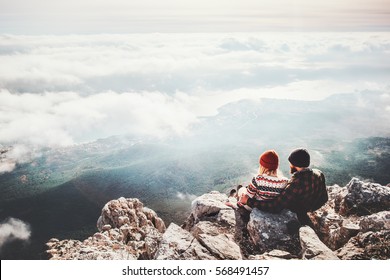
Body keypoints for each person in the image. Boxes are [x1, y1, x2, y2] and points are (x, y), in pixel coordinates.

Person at [239, 148, 328, 225]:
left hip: (299, 212)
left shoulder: (295, 184)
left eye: (291, 163)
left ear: (294, 164)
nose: (290, 165)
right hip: (312, 207)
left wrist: (249, 201)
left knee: (242, 191)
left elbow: (275, 206)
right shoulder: (319, 173)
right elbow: (324, 198)